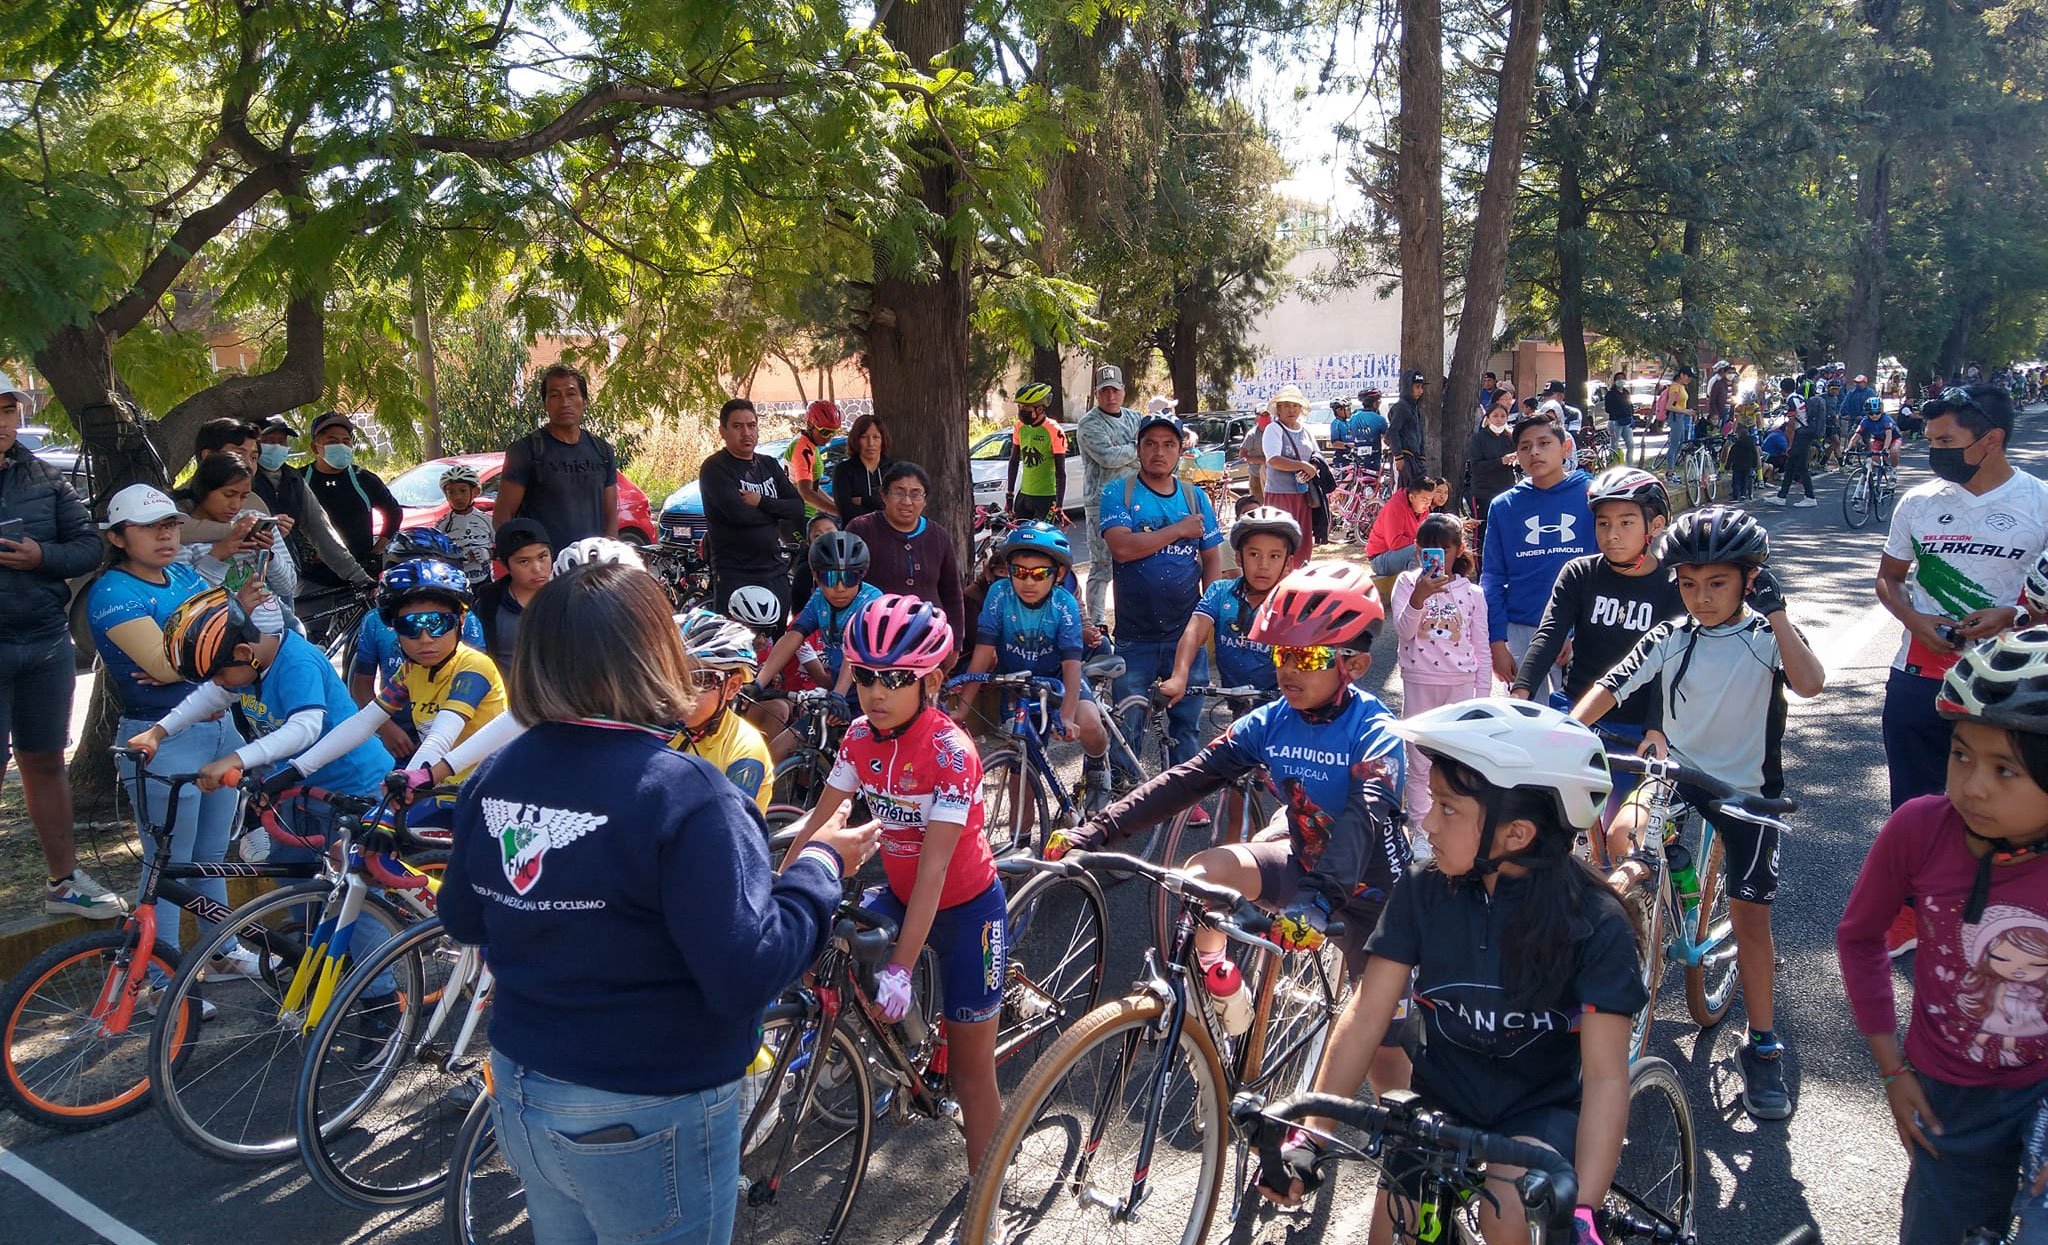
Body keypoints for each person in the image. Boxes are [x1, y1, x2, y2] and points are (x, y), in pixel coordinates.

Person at [435, 559, 874, 1245]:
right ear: (656, 655)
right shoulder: (686, 791)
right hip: (647, 1103)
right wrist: (820, 865)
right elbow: (746, 969)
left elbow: (462, 915)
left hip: (522, 1088)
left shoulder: (493, 775)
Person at [1261, 699, 1639, 1245]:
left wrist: (1583, 1210)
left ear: (1517, 835)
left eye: (1448, 808)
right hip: (1441, 1102)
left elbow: (1606, 1077)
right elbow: (1368, 1015)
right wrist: (1309, 1137)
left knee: (1505, 1216)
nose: (1426, 821)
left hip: (1539, 1110)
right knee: (1392, 1230)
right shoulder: (1422, 889)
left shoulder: (1596, 923)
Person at [1048, 563, 1411, 1088]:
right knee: (1204, 873)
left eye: (1308, 655)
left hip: (1372, 891)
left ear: (1353, 665)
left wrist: (1319, 901)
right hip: (1304, 864)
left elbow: (1364, 817)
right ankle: (1224, 987)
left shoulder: (1374, 730)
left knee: (1382, 1052)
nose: (1289, 669)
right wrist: (1098, 831)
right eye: (1283, 653)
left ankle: (1407, 1163)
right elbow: (1186, 780)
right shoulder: (1272, 721)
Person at [1572, 507, 1826, 1122]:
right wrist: (1565, 731)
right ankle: (1672, 899)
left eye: (1717, 583)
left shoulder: (1766, 637)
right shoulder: (1671, 635)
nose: (1701, 597)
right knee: (1628, 836)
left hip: (1746, 793)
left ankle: (1762, 1048)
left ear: (1749, 579)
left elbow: (1811, 682)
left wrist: (1780, 612)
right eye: (1688, 584)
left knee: (1752, 923)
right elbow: (1613, 684)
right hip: (1680, 779)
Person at [781, 595, 1005, 1177]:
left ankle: (987, 1205)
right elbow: (819, 822)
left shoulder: (952, 752)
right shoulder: (858, 736)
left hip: (967, 907)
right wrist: (781, 897)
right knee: (825, 938)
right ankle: (880, 1040)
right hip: (903, 895)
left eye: (896, 679)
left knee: (973, 1074)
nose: (877, 693)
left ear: (929, 680)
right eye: (866, 677)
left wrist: (903, 966)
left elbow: (934, 871)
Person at [1837, 628, 2048, 1245]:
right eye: (1961, 755)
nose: (1973, 786)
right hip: (1947, 1092)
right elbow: (1859, 936)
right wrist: (1891, 1070)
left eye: (2005, 769)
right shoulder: (1921, 829)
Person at [86, 485, 261, 969]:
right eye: (149, 528)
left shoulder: (183, 574)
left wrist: (200, 654)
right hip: (160, 736)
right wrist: (213, 653)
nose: (165, 536)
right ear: (118, 537)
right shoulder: (113, 592)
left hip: (220, 729)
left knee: (209, 854)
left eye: (169, 525)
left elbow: (238, 641)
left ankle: (221, 949)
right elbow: (166, 667)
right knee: (165, 863)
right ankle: (159, 973)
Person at [1876, 386, 2048, 809]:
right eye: (1931, 440)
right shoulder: (1918, 502)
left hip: (2013, 685)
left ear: (1992, 439)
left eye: (1946, 441)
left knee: (2002, 815)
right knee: (1915, 813)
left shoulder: (2041, 502)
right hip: (1918, 678)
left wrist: (2013, 617)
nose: (1935, 451)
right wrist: (1914, 619)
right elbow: (1888, 578)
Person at [0, 379, 124, 918]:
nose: (5, 423)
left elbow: (87, 546)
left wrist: (40, 557)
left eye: (10, 411)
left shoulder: (44, 476)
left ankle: (63, 882)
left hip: (45, 642)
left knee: (45, 759)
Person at [289, 559, 506, 838]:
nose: (425, 638)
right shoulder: (411, 670)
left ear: (461, 623)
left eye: (438, 624)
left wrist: (390, 809)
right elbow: (364, 722)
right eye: (411, 626)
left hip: (494, 792)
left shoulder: (474, 667)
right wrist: (296, 770)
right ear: (395, 629)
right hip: (446, 789)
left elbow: (440, 738)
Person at [1511, 467, 1685, 809]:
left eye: (1626, 522)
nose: (1612, 534)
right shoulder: (1579, 573)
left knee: (1619, 830)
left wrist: (1656, 728)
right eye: (1603, 523)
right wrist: (1522, 692)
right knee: (1547, 815)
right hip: (1577, 712)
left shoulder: (1673, 585)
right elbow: (1548, 635)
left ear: (1656, 525)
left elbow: (1671, 665)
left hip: (1637, 726)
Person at [956, 523, 1112, 814]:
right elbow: (982, 654)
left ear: (1059, 574)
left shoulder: (1064, 604)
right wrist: (963, 708)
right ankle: (1024, 842)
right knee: (1022, 772)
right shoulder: (999, 595)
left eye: (1040, 574)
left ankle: (1097, 766)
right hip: (1020, 688)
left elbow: (1071, 666)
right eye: (1019, 572)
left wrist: (1066, 716)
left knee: (1090, 723)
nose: (1028, 582)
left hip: (1058, 681)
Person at [1101, 414, 1224, 774]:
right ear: (1138, 450)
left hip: (1186, 636)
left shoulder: (1195, 496)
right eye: (1151, 443)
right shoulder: (1118, 492)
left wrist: (1208, 613)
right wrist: (1179, 529)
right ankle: (1123, 803)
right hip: (1133, 637)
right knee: (1128, 727)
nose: (1160, 451)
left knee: (1186, 725)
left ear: (1180, 450)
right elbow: (1122, 548)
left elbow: (1212, 557)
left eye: (1169, 444)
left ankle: (1183, 800)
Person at [1481, 413, 1595, 691]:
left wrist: (1574, 630)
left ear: (1565, 447)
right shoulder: (1503, 506)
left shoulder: (1594, 496)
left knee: (1581, 725)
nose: (1534, 452)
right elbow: (1492, 577)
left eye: (1544, 443)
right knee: (1529, 724)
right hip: (1522, 630)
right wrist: (1497, 643)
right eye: (1525, 446)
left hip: (1586, 628)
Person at [1391, 514, 1490, 821]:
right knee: (1419, 761)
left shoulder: (1472, 593)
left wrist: (1482, 697)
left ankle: (1453, 823)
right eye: (1427, 550)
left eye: (1444, 550)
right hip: (1420, 681)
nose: (1435, 557)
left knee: (1455, 759)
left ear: (1459, 549)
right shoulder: (1407, 583)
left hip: (1460, 682)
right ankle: (1421, 828)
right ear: (1418, 550)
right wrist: (1420, 597)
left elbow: (1481, 646)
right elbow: (1404, 631)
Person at [1159, 507, 1297, 705]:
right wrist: (1179, 676)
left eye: (1274, 556)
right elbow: (1194, 633)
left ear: (1288, 562)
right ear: (1238, 557)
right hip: (1238, 703)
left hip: (1282, 706)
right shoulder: (1220, 592)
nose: (1263, 565)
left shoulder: (1293, 601)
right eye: (1254, 554)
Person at [699, 398, 805, 615]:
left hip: (775, 572)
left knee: (776, 644)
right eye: (737, 426)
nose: (746, 432)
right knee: (741, 647)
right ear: (723, 431)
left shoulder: (768, 465)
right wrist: (777, 511)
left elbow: (797, 507)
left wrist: (761, 502)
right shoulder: (715, 468)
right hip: (736, 576)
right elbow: (739, 515)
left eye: (751, 425)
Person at [846, 462, 967, 651]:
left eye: (916, 494)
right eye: (899, 492)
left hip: (928, 641)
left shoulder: (938, 536)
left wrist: (956, 643)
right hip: (875, 642)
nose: (907, 501)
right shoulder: (862, 529)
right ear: (884, 495)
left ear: (924, 499)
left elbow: (952, 593)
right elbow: (846, 586)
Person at [495, 364, 619, 547]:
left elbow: (610, 515)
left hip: (591, 565)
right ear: (545, 404)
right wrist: (524, 558)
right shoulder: (526, 450)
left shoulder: (602, 451)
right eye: (554, 395)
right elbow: (502, 516)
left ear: (584, 401)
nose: (564, 402)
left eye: (571, 394)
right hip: (546, 569)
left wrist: (609, 552)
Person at [252, 414, 374, 599]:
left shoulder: (294, 480)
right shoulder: (242, 480)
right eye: (268, 441)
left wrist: (359, 577)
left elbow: (321, 530)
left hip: (285, 576)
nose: (276, 446)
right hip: (246, 576)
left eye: (281, 441)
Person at [667, 610, 775, 814]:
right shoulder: (660, 726)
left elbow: (726, 829)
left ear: (733, 686)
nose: (680, 690)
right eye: (671, 675)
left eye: (700, 679)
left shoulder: (744, 749)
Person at [174, 452, 299, 627]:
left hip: (278, 633)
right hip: (222, 639)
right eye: (228, 494)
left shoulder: (255, 520)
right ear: (204, 490)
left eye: (243, 496)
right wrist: (217, 556)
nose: (236, 505)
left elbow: (287, 586)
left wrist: (268, 556)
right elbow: (189, 603)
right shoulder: (181, 540)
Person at [755, 530, 879, 700]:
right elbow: (793, 637)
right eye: (830, 578)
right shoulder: (819, 598)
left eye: (850, 578)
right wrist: (758, 683)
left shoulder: (872, 601)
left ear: (862, 575)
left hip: (873, 692)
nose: (840, 588)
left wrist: (838, 695)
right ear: (816, 576)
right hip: (840, 691)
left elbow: (856, 648)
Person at [298, 411, 402, 593]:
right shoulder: (298, 480)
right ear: (315, 447)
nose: (340, 446)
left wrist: (378, 549)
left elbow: (393, 513)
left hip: (361, 578)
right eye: (332, 442)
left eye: (346, 442)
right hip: (313, 580)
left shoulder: (364, 478)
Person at [1077, 365, 1142, 625]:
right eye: (1105, 391)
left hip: (1137, 500)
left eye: (1115, 389)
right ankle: (1096, 626)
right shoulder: (1088, 423)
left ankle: (1134, 620)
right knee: (1103, 567)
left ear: (1124, 391)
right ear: (1096, 394)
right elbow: (1108, 457)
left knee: (1137, 562)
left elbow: (1152, 449)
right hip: (1101, 503)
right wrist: (1136, 448)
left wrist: (1130, 451)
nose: (1110, 396)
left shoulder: (1136, 418)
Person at [473, 518, 552, 671]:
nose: (537, 568)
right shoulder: (488, 605)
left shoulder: (567, 597)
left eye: (543, 557)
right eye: (523, 561)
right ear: (505, 565)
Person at [1260, 386, 1321, 568]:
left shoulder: (1306, 430)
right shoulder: (1274, 429)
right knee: (1280, 541)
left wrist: (1313, 467)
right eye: (1286, 405)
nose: (1291, 410)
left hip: (1304, 496)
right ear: (1278, 409)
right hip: (1280, 496)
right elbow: (1274, 460)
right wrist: (1302, 466)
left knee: (1303, 541)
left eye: (1295, 405)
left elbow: (1317, 455)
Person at [1364, 475, 1442, 602]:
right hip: (1380, 558)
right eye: (1424, 499)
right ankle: (1415, 597)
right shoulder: (1395, 507)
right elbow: (1395, 543)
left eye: (1430, 500)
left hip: (1401, 553)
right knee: (1417, 551)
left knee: (1436, 550)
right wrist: (1421, 543)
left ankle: (1435, 592)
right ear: (1412, 497)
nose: (1427, 504)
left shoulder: (1423, 509)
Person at [1006, 383, 1069, 522]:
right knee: (1019, 540)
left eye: (1025, 408)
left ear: (1039, 409)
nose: (1021, 411)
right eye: (1019, 407)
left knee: (1041, 541)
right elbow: (1014, 461)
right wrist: (1009, 495)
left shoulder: (1054, 430)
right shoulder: (1019, 426)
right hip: (1024, 495)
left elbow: (1060, 471)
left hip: (1046, 497)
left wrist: (1059, 505)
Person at [435, 462, 495, 584]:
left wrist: (488, 553)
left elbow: (505, 550)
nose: (457, 497)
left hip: (486, 583)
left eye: (463, 491)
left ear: (475, 492)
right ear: (446, 495)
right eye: (451, 492)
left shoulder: (487, 520)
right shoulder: (442, 525)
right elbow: (435, 557)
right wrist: (455, 556)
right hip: (456, 583)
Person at [830, 413, 893, 526]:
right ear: (856, 440)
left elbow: (897, 508)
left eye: (876, 437)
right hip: (856, 537)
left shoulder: (894, 470)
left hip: (891, 537)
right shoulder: (843, 471)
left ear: (883, 440)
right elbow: (846, 512)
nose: (870, 443)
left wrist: (864, 500)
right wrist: (881, 506)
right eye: (864, 437)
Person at [1768, 378, 1820, 508]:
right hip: (1806, 432)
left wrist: (1789, 445)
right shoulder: (1799, 397)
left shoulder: (1791, 401)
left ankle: (1810, 496)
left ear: (1782, 390)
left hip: (1801, 435)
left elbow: (1791, 426)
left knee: (1801, 466)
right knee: (1790, 464)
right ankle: (1782, 496)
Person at [786, 399, 842, 519]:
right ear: (810, 425)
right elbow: (806, 492)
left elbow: (814, 489)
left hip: (805, 514)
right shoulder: (803, 448)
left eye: (833, 433)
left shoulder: (811, 445)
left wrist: (837, 507)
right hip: (797, 516)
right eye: (825, 432)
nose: (829, 438)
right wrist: (840, 512)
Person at [1466, 400, 1519, 525]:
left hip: (1506, 489)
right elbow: (1476, 467)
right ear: (1488, 418)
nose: (1499, 419)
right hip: (1484, 492)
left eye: (1503, 416)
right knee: (1483, 527)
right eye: (1495, 416)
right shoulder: (1479, 438)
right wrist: (1501, 461)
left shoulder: (1510, 438)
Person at [1386, 369, 1430, 489]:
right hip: (1403, 457)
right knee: (1401, 492)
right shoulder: (1401, 407)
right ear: (1408, 387)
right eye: (1417, 387)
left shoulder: (1414, 407)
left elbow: (1419, 433)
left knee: (1417, 492)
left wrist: (1421, 456)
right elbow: (1393, 431)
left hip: (1414, 458)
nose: (1421, 391)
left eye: (1422, 387)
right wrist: (1398, 456)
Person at [1851, 395, 1905, 477]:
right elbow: (1856, 435)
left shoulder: (1886, 420)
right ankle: (1870, 477)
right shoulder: (1865, 421)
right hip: (1879, 439)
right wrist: (1848, 449)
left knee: (1893, 451)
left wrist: (1885, 449)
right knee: (1874, 457)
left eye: (1877, 413)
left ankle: (1893, 472)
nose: (1874, 415)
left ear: (1882, 412)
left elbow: (1889, 436)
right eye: (1871, 413)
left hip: (1894, 438)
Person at [1663, 366, 1696, 476]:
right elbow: (1669, 406)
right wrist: (1685, 411)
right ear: (1681, 375)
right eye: (1688, 377)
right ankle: (1670, 471)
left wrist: (1686, 411)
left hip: (1681, 416)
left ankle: (1672, 469)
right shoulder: (1675, 387)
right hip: (1675, 416)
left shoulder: (1682, 387)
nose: (1689, 379)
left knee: (1680, 443)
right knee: (1674, 444)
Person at [1603, 372, 1637, 466]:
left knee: (1630, 445)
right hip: (1615, 422)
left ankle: (1629, 465)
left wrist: (1631, 417)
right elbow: (1608, 408)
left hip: (1627, 422)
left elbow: (1629, 405)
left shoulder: (1626, 392)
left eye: (1623, 378)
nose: (1621, 380)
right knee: (1614, 445)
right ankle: (1614, 465)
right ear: (1615, 381)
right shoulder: (1611, 393)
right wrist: (1618, 415)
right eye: (1618, 378)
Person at [1353, 390, 1389, 469]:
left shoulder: (1353, 417)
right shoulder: (1380, 419)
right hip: (1374, 460)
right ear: (1375, 403)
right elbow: (1387, 440)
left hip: (1356, 459)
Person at [1241, 408, 1270, 507]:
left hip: (1272, 475)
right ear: (1256, 418)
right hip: (1256, 475)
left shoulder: (1274, 431)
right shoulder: (1252, 435)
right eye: (1263, 416)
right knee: (1257, 505)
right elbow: (1242, 455)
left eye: (1267, 415)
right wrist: (1260, 460)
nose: (1266, 418)